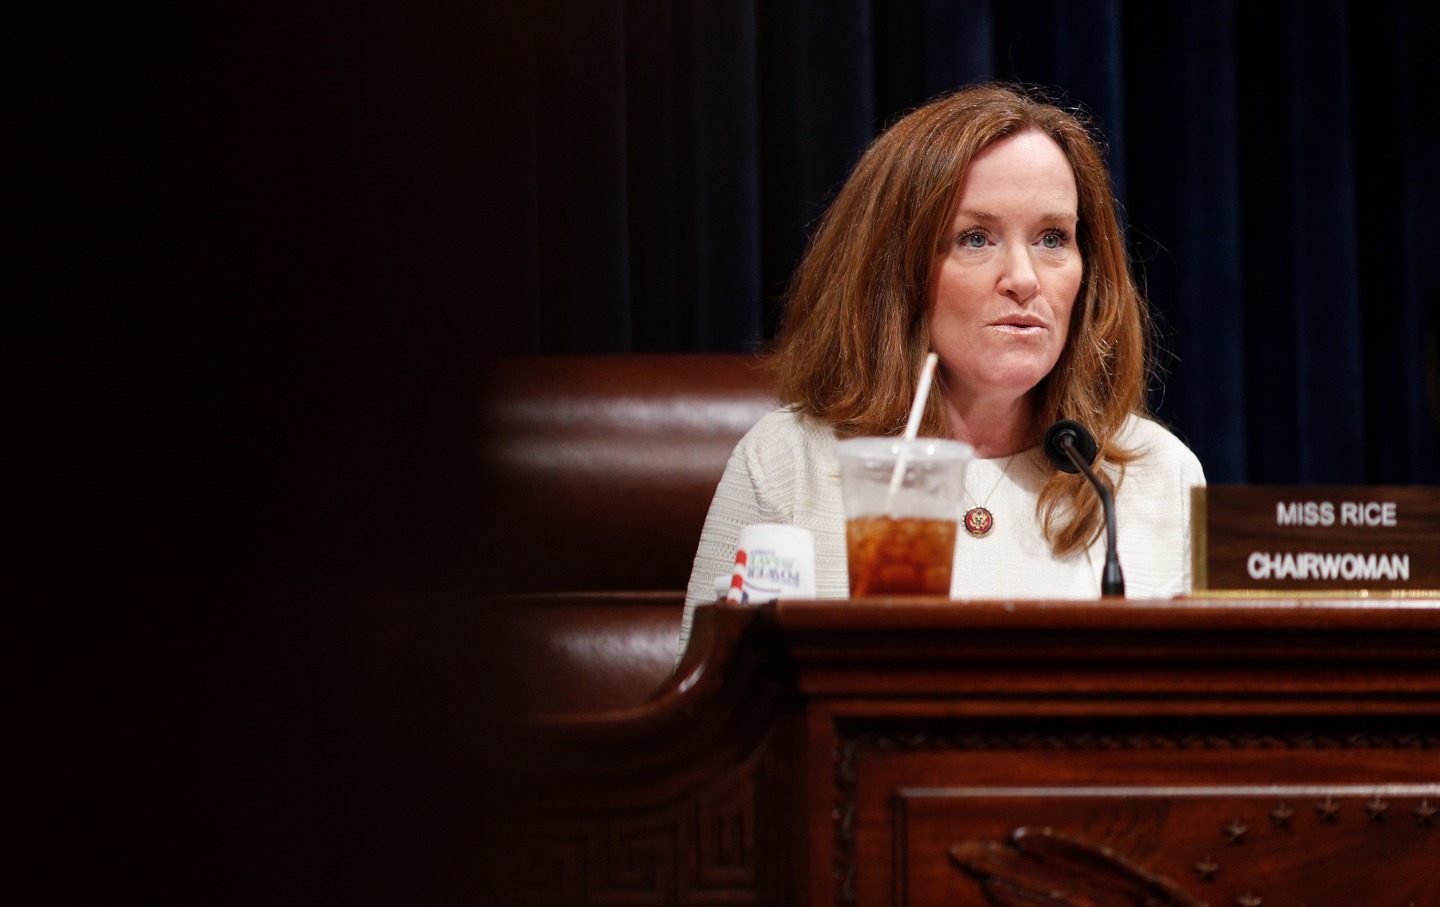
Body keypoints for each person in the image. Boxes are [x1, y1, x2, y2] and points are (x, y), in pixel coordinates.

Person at [680, 83, 1206, 654]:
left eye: (1052, 238)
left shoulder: (1159, 476)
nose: (1024, 279)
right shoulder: (788, 465)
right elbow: (708, 727)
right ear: (897, 272)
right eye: (976, 238)